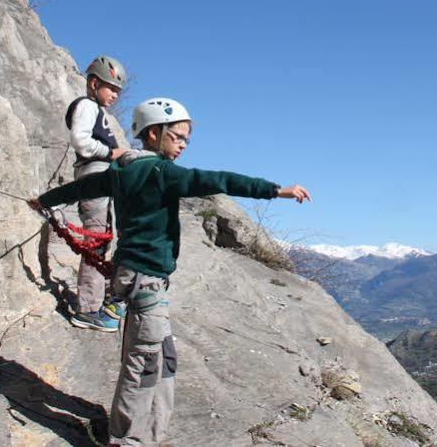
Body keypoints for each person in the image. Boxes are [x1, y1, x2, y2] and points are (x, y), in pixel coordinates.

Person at [29, 97, 311, 445]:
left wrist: (45, 200)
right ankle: (128, 439)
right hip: (146, 280)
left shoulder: (121, 172)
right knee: (146, 363)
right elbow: (217, 179)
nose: (182, 145)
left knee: (161, 359)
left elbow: (82, 188)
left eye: (185, 140)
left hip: (134, 277)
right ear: (152, 134)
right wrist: (275, 190)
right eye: (176, 137)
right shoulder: (161, 172)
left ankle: (150, 433)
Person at [63, 54, 130, 332]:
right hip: (94, 179)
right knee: (96, 240)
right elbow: (80, 141)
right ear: (93, 83)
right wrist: (110, 152)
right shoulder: (86, 106)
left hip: (100, 181)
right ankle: (88, 308)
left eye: (117, 90)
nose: (114, 94)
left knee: (102, 239)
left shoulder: (96, 109)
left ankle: (97, 300)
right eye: (110, 87)